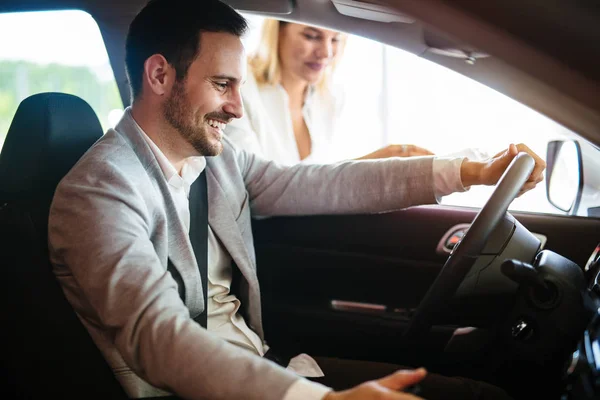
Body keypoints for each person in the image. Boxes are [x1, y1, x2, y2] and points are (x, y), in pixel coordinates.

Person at [47, 0, 545, 399]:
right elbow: (156, 337)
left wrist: (468, 171)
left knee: (474, 394)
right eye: (222, 85)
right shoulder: (98, 194)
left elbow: (327, 183)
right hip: (203, 388)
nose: (238, 108)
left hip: (265, 367)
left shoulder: (218, 162)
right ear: (159, 76)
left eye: (239, 87)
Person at [225, 19, 438, 165]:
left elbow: (313, 187)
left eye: (335, 39)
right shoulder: (240, 89)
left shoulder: (329, 98)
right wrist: (374, 164)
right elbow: (259, 189)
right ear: (278, 32)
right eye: (311, 36)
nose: (325, 53)